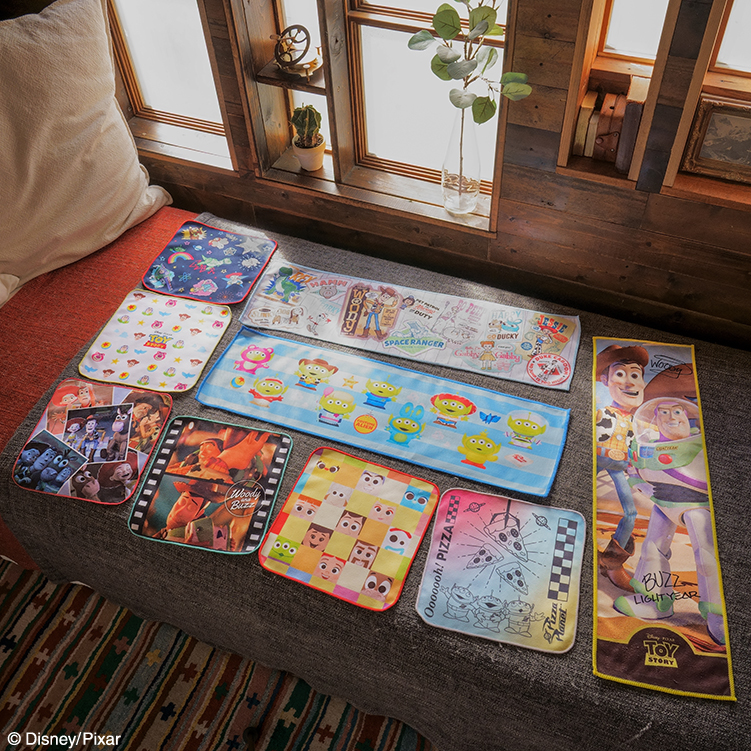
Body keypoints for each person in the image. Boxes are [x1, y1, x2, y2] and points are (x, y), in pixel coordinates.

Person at [613, 397, 724, 644]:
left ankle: (719, 612)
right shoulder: (649, 446)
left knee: (706, 554)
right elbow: (636, 471)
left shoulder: (698, 446)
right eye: (664, 413)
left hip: (696, 506)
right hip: (664, 503)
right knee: (653, 548)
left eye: (677, 412)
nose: (672, 417)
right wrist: (638, 480)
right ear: (656, 419)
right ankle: (655, 599)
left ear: (686, 416)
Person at [595, 344, 648, 590]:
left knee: (631, 513)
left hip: (619, 467)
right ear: (605, 380)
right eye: (620, 373)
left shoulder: (637, 422)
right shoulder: (602, 413)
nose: (629, 382)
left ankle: (612, 564)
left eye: (635, 375)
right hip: (596, 459)